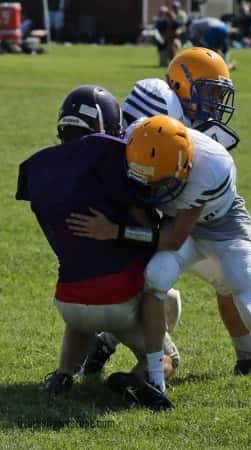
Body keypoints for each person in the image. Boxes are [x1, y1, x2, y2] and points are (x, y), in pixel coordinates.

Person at [67, 113, 251, 404]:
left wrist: (116, 231)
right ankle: (156, 382)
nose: (154, 190)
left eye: (161, 183)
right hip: (177, 227)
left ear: (185, 167)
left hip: (223, 229)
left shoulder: (210, 168)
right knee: (154, 280)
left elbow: (174, 238)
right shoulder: (140, 137)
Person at [72, 48, 251, 382]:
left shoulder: (189, 125)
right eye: (209, 91)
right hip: (147, 219)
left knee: (224, 280)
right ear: (182, 85)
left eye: (218, 92)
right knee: (160, 291)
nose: (215, 101)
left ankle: (248, 357)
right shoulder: (159, 101)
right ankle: (117, 351)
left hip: (179, 222)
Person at [15, 85, 179, 408]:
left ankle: (63, 375)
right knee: (168, 310)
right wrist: (119, 232)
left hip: (69, 299)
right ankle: (142, 376)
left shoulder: (38, 168)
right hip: (119, 299)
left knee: (84, 294)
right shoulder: (111, 155)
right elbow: (147, 232)